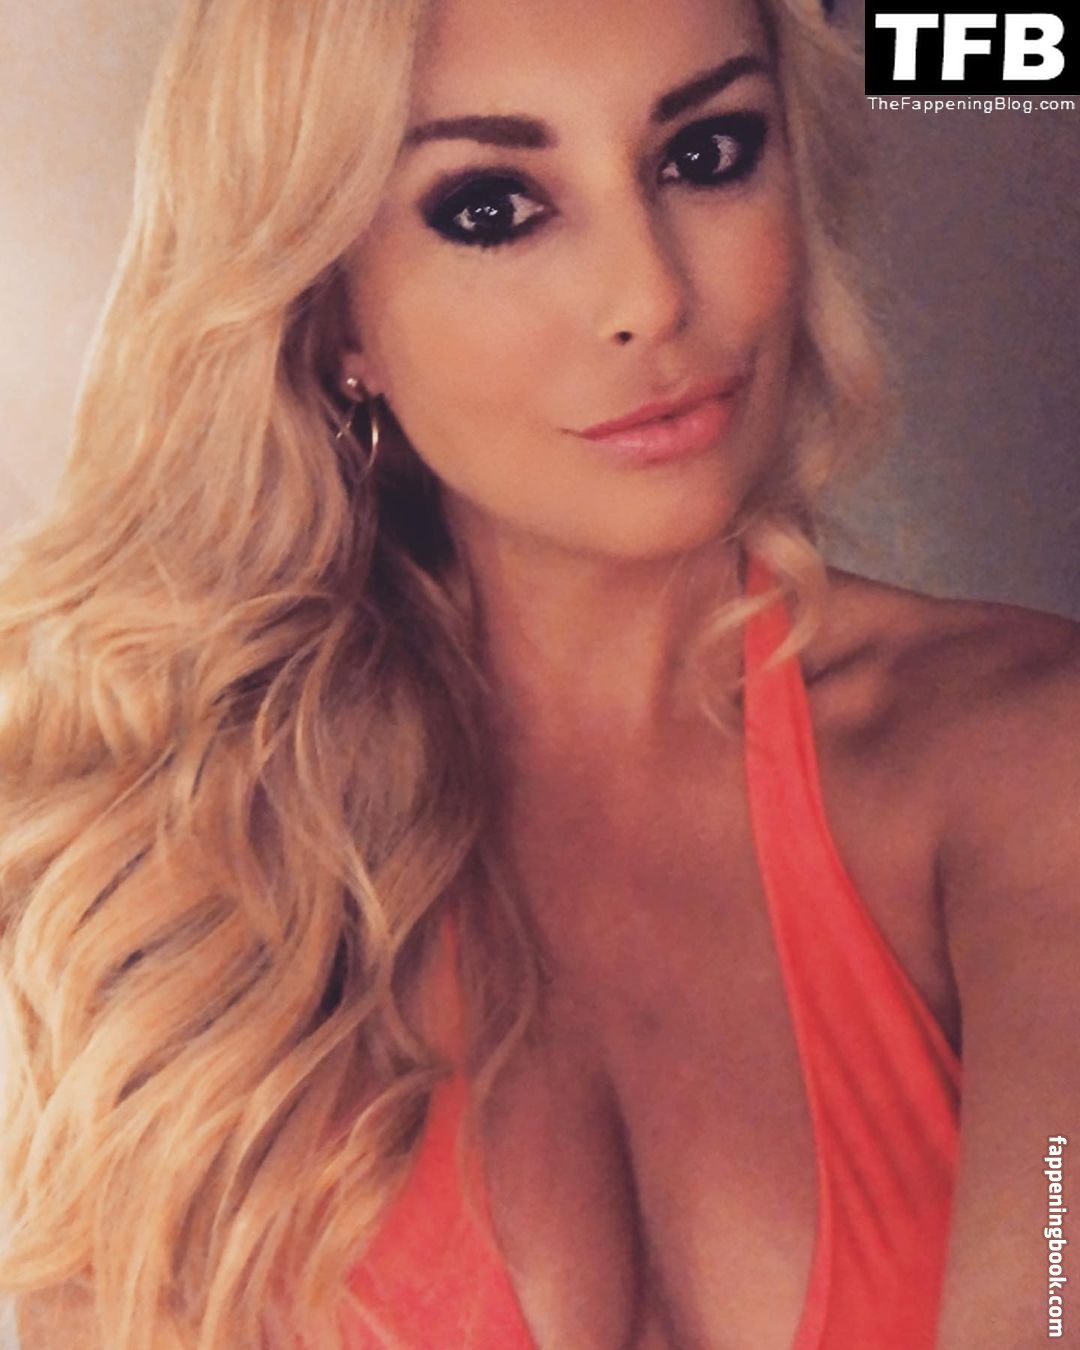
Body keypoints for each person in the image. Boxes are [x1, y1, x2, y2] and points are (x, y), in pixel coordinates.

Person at [1, 0, 1078, 1346]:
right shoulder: (179, 885)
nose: (653, 296)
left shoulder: (1026, 760)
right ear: (334, 314)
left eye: (706, 154)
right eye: (492, 209)